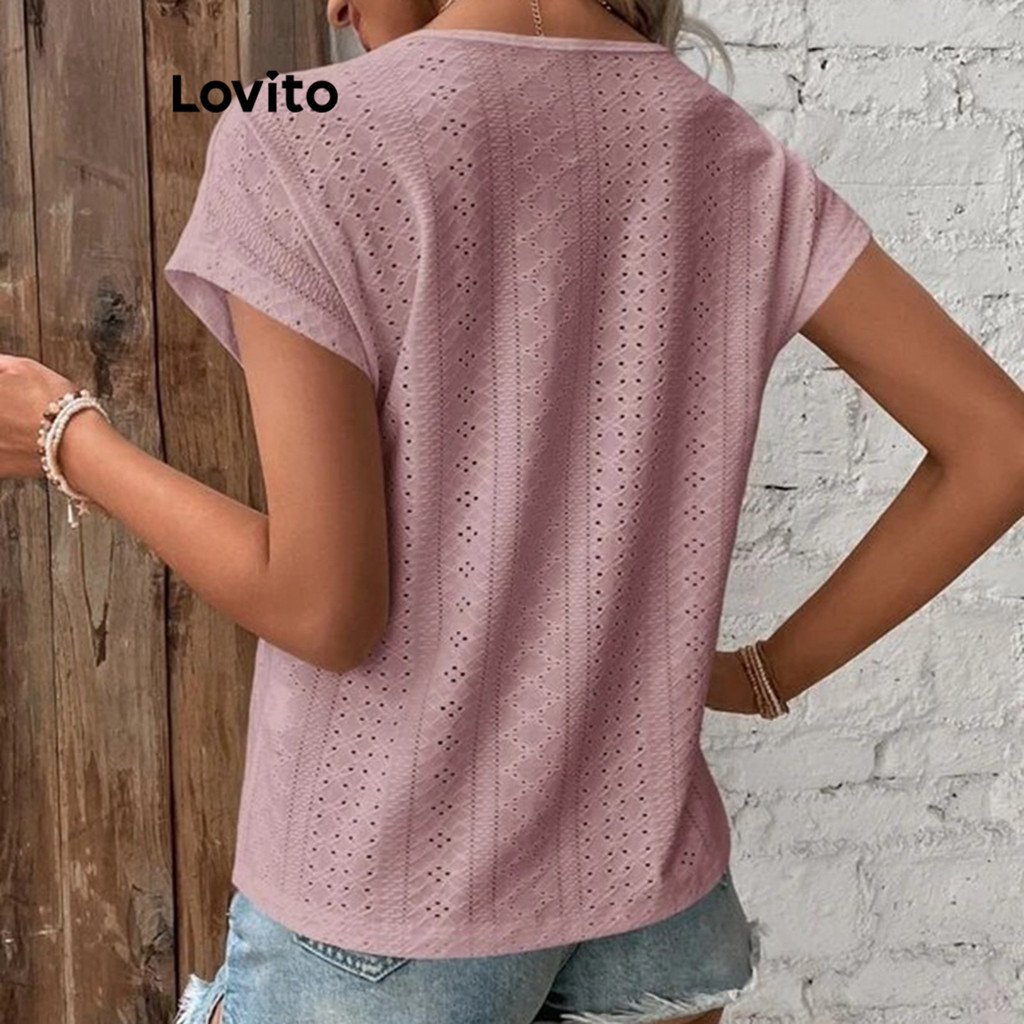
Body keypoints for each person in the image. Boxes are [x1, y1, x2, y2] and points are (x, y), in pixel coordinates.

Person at [7, 0, 1023, 1021]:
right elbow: (1000, 447)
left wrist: (68, 438)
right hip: (656, 915)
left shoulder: (301, 131)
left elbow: (323, 607)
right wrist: (767, 672)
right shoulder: (734, 154)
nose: (334, 8)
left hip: (391, 913)